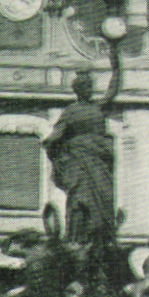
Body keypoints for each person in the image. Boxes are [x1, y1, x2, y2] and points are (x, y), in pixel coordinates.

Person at [45, 67, 121, 243]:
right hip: (80, 162)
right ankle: (78, 237)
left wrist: (115, 62)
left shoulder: (98, 106)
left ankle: (104, 236)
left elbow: (113, 89)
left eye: (90, 86)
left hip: (100, 161)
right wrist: (51, 144)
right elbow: (57, 134)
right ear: (77, 90)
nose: (90, 89)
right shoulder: (71, 111)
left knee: (106, 197)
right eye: (86, 86)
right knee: (80, 199)